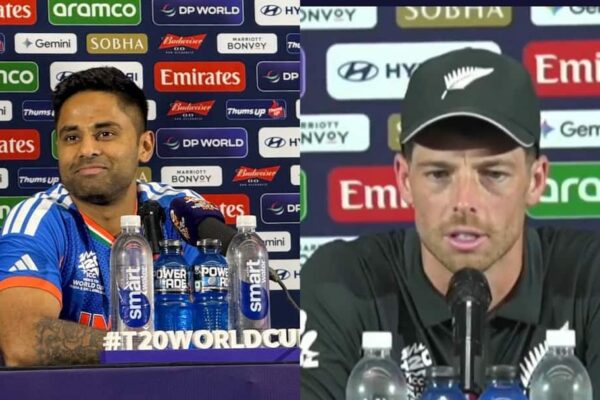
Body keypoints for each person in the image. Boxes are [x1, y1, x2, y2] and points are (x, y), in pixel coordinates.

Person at [301, 48, 600, 399]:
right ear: (404, 180)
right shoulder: (343, 284)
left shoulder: (590, 279)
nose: (464, 202)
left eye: (493, 174)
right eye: (439, 174)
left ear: (535, 181)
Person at [0, 67, 214, 366]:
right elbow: (21, 341)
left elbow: (228, 324)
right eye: (71, 137)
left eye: (105, 134)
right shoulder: (39, 220)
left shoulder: (181, 212)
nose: (87, 149)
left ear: (144, 146)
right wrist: (146, 348)